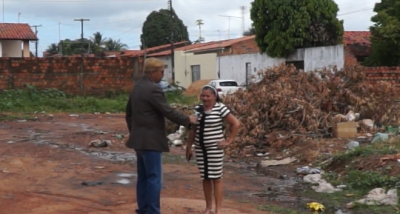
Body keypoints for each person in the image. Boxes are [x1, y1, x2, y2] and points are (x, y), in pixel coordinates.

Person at [125, 57, 197, 214]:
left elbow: (129, 113)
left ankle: (143, 209)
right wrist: (187, 120)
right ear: (153, 73)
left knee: (143, 177)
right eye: (161, 72)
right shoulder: (153, 89)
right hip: (151, 141)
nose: (163, 75)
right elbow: (167, 111)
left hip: (138, 141)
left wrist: (135, 132)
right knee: (154, 177)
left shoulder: (137, 87)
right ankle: (153, 211)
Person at [185, 85, 240, 214]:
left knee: (216, 178)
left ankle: (218, 209)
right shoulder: (198, 110)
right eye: (203, 95)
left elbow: (235, 123)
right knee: (205, 177)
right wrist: (189, 147)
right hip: (200, 149)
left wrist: (229, 140)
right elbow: (193, 130)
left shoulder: (220, 108)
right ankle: (208, 208)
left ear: (214, 96)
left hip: (215, 149)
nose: (205, 98)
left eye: (208, 96)